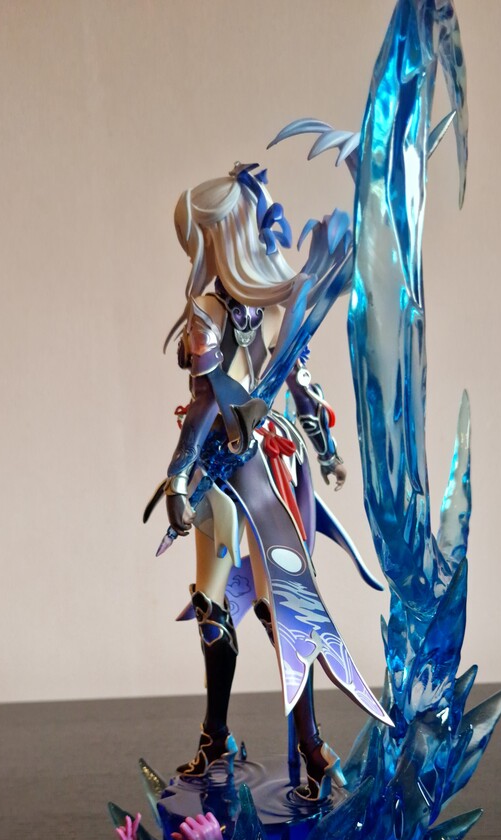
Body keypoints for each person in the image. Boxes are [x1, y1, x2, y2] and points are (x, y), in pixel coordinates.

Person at [152, 162, 390, 801]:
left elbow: (294, 380)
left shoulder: (260, 304)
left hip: (263, 466)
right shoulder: (212, 311)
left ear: (215, 238)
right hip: (221, 471)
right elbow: (208, 403)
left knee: (280, 605)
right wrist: (181, 478)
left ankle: (311, 746)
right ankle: (217, 737)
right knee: (212, 606)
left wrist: (325, 445)